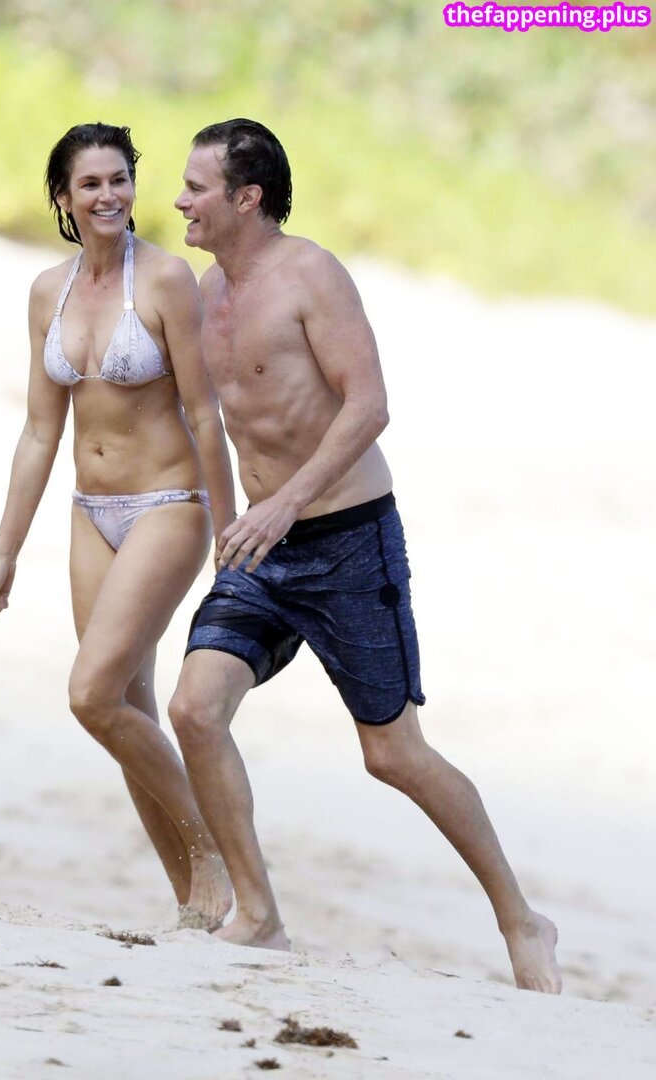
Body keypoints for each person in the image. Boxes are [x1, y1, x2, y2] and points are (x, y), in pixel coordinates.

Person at [168, 118, 562, 992]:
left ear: (246, 197)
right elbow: (218, 420)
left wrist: (285, 503)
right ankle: (258, 917)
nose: (180, 201)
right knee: (194, 709)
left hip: (345, 540)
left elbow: (368, 406)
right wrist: (231, 519)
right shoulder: (207, 287)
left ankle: (520, 919)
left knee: (392, 755)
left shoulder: (310, 276)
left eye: (196, 187)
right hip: (260, 549)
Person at [0, 122, 235, 929]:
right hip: (90, 513)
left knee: (89, 695)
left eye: (119, 178)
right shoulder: (45, 292)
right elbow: (38, 432)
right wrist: (4, 553)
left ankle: (216, 852)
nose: (108, 195)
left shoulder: (165, 279)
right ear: (63, 197)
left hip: (168, 504)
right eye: (90, 183)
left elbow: (204, 412)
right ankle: (192, 902)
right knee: (125, 708)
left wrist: (231, 534)